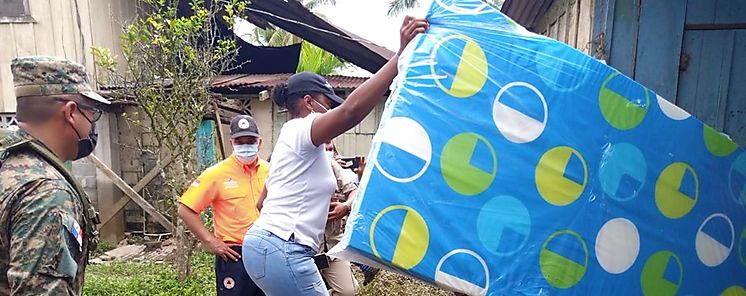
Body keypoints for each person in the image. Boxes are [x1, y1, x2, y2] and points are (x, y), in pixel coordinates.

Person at [242, 16, 429, 296]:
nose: (331, 113)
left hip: (268, 245)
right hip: (283, 247)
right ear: (308, 102)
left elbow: (262, 202)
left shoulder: (295, 146)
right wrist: (399, 56)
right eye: (328, 105)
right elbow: (351, 112)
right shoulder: (302, 128)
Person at [0, 56, 107, 295]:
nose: (92, 126)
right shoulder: (46, 192)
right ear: (71, 112)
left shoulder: (6, 161)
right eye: (92, 114)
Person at [178, 115, 269, 296]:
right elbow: (185, 209)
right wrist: (210, 241)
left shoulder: (271, 171)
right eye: (240, 141)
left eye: (250, 141)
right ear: (232, 143)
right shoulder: (216, 174)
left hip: (268, 252)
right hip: (235, 255)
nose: (245, 146)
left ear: (259, 142)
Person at [319, 142, 359, 296]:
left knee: (349, 291)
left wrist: (345, 206)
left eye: (329, 144)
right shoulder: (294, 165)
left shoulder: (331, 165)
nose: (327, 148)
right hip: (303, 249)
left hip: (332, 245)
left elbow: (354, 191)